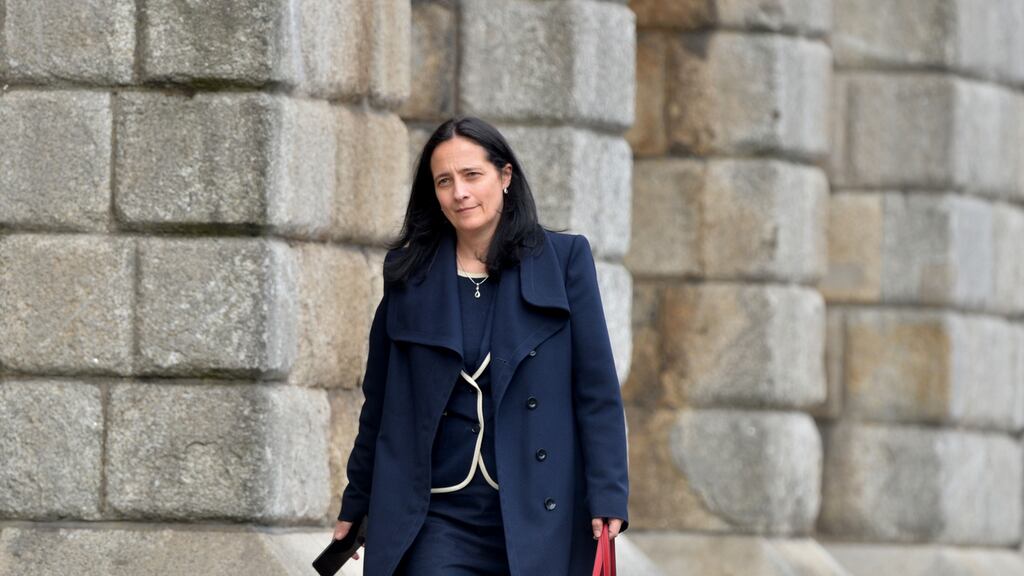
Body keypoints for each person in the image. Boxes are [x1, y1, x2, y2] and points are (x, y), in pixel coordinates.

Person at [331, 116, 629, 575]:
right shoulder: (409, 273)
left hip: (538, 507)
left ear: (505, 176)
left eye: (472, 175)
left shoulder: (565, 261)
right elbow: (382, 403)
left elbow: (597, 392)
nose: (460, 193)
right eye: (444, 181)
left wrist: (608, 494)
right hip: (435, 516)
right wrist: (357, 503)